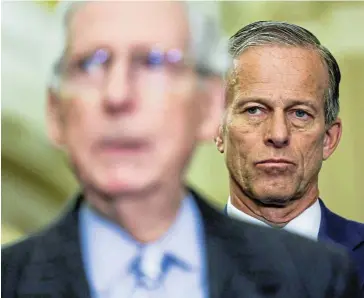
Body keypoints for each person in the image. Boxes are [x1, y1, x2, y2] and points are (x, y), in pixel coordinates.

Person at [2, 3, 361, 298]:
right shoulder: (10, 281)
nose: (117, 94)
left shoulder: (320, 275)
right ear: (54, 110)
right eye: (91, 64)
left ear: (207, 108)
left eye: (154, 63)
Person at [216, 20, 364, 290]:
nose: (278, 134)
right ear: (218, 129)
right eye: (254, 110)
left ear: (329, 139)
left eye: (300, 113)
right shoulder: (171, 265)